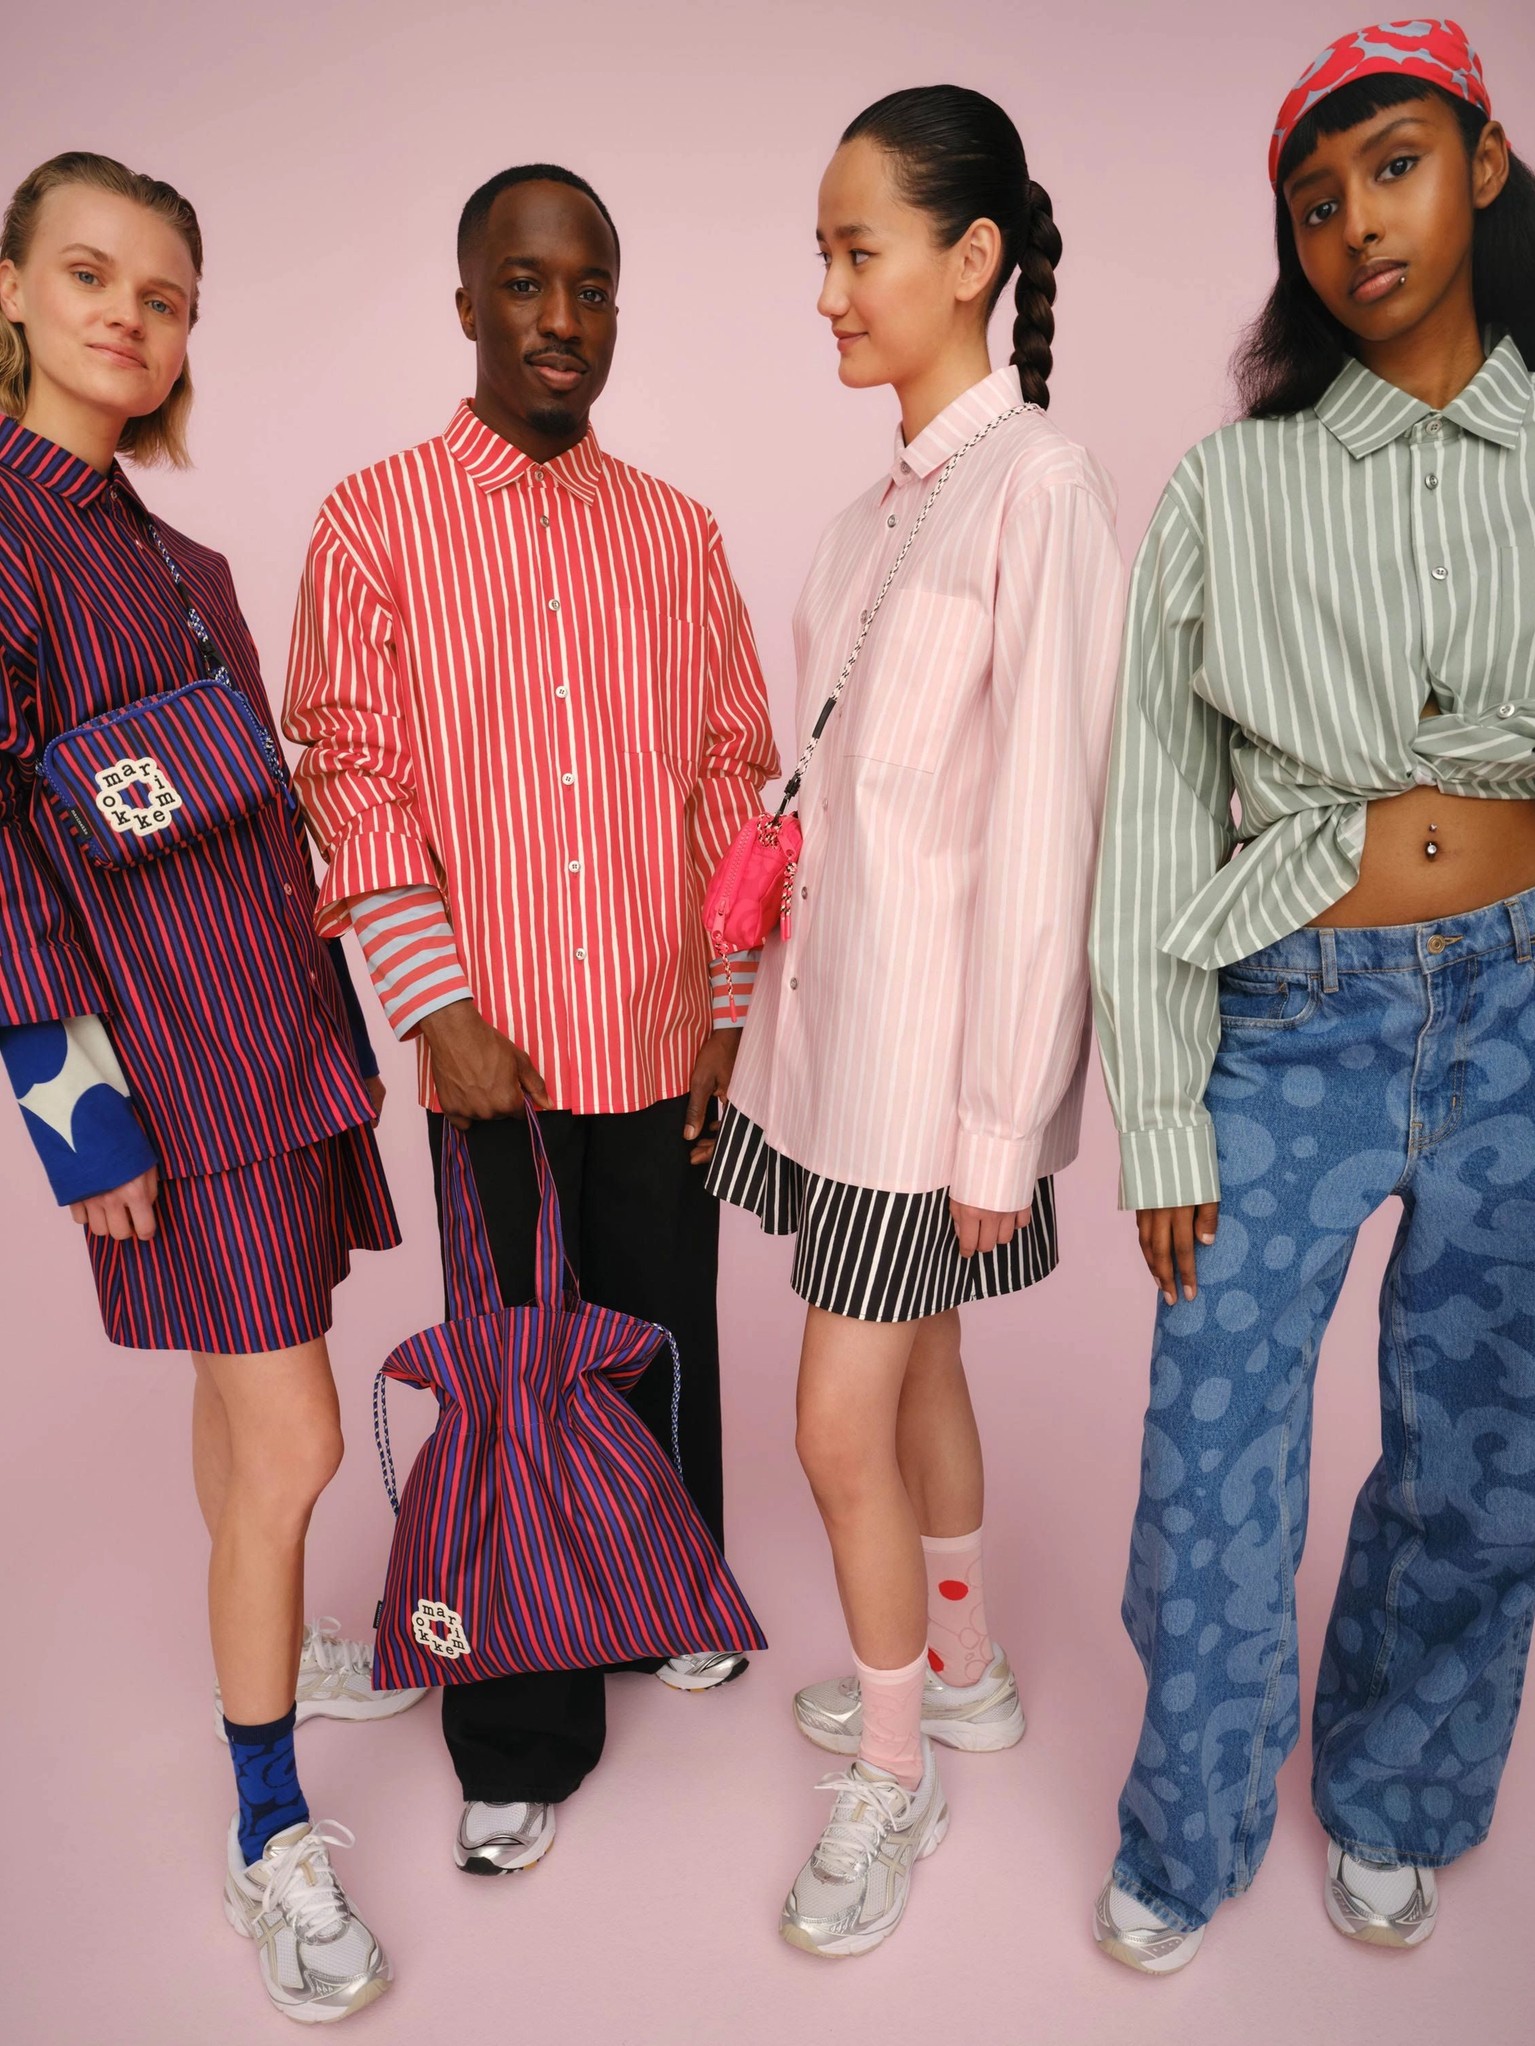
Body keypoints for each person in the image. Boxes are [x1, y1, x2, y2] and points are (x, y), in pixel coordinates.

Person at [1090, 18, 1535, 1973]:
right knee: (1213, 1461)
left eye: (1396, 163)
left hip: (1523, 1015)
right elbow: (1152, 816)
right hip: (1293, 1014)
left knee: (1486, 1453)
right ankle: (1188, 1832)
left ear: (1486, 165)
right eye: (1317, 193)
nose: (1358, 217)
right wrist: (1165, 1108)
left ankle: (1400, 1793)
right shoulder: (1230, 484)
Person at [284, 161, 778, 1879]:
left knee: (658, 1329)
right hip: (490, 1039)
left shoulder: (678, 529)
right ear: (470, 302)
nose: (558, 320)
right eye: (523, 284)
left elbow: (734, 770)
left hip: (654, 1019)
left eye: (590, 291)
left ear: (616, 311)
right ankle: (519, 1724)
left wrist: (725, 1002)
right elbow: (347, 758)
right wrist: (431, 998)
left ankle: (656, 1591)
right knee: (515, 1365)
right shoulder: (376, 515)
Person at [0, 153, 418, 2025]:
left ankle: (270, 1649)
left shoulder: (185, 563)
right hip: (161, 1079)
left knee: (254, 1430)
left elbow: (235, 810)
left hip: (284, 1045)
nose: (126, 315)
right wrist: (74, 1119)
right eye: (88, 273)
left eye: (162, 296)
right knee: (305, 1445)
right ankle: (269, 1830)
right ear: (11, 285)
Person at [708, 86, 1125, 1956]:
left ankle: (890, 1778)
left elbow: (1052, 824)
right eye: (821, 251)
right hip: (835, 1053)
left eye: (856, 249)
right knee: (927, 1375)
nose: (827, 291)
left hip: (923, 1086)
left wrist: (996, 1125)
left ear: (972, 260)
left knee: (835, 1426)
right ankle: (955, 1674)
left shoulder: (1038, 489)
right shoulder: (880, 508)